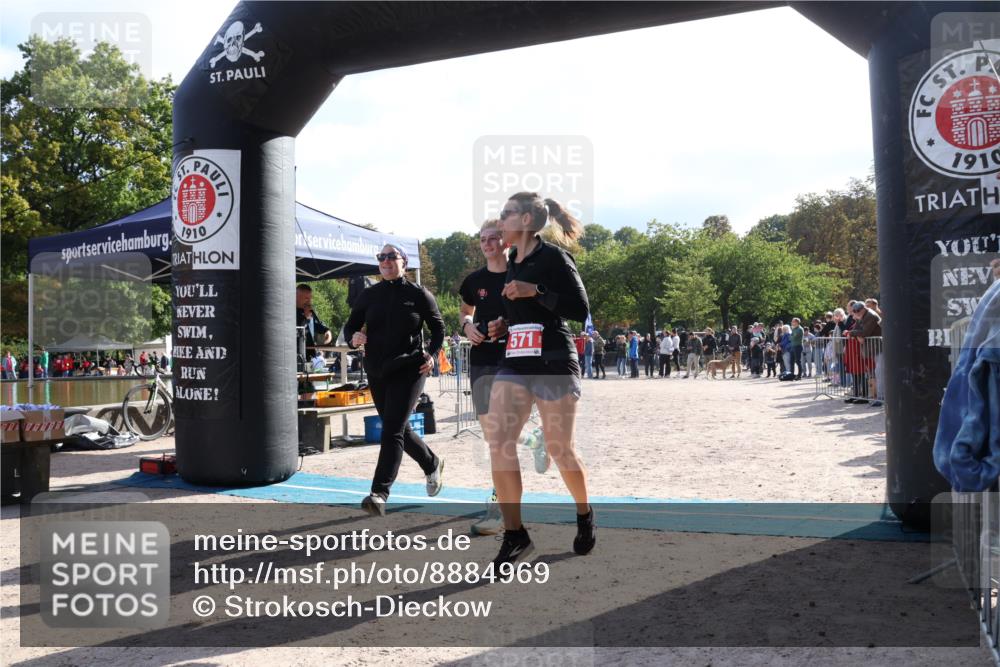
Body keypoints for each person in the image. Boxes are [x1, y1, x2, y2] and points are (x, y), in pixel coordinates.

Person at [482, 192, 594, 567]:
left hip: (554, 360)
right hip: (516, 360)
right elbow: (521, 314)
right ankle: (516, 535)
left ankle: (584, 513)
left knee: (559, 447)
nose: (500, 220)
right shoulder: (513, 260)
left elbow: (580, 310)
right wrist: (504, 324)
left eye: (506, 214)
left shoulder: (554, 257)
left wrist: (537, 291)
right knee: (499, 441)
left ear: (527, 220)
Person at [344, 244, 446, 516]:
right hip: (377, 370)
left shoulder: (419, 294)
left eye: (391, 257)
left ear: (404, 262)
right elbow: (350, 326)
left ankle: (379, 493)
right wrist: (354, 337)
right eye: (381, 258)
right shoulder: (369, 295)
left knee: (391, 431)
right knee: (397, 428)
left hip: (410, 369)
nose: (386, 261)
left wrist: (432, 354)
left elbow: (438, 329)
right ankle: (432, 463)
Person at [458, 219, 530, 536]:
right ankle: (533, 439)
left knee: (500, 439)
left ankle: (501, 504)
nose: (487, 243)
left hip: (513, 358)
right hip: (482, 359)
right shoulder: (474, 280)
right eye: (482, 239)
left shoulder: (520, 274)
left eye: (492, 238)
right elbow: (464, 311)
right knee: (493, 438)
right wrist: (467, 326)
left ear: (505, 241)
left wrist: (508, 325)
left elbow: (535, 314)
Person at [296, 283, 333, 350]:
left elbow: (318, 325)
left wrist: (327, 331)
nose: (309, 301)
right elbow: (297, 331)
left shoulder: (310, 310)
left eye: (310, 298)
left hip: (312, 352)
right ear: (297, 297)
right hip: (298, 353)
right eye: (306, 298)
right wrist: (305, 318)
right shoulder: (290, 312)